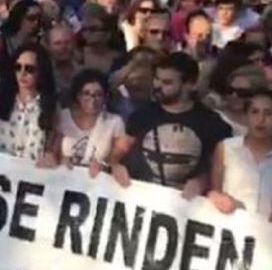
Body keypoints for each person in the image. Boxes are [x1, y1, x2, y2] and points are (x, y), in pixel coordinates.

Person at [101, 52, 231, 197]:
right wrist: (116, 166)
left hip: (187, 207)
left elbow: (221, 169)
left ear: (190, 85)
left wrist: (202, 181)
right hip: (142, 199)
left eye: (167, 82)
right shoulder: (142, 116)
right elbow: (116, 154)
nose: (158, 86)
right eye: (157, 79)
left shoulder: (212, 124)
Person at [0, 43, 57, 162]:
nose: (22, 73)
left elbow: (51, 147)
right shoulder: (0, 98)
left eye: (29, 69)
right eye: (18, 67)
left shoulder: (50, 105)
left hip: (31, 173)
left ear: (41, 72)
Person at [208, 89, 272, 220]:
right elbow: (215, 191)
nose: (260, 119)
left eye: (268, 114)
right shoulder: (226, 148)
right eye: (254, 112)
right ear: (245, 117)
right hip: (232, 231)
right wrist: (217, 198)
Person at [45, 69, 124, 170]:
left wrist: (103, 166)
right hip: (64, 177)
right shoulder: (63, 117)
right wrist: (61, 161)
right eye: (86, 93)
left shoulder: (115, 122)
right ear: (78, 96)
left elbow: (116, 161)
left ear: (105, 97)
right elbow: (52, 153)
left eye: (98, 94)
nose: (92, 99)